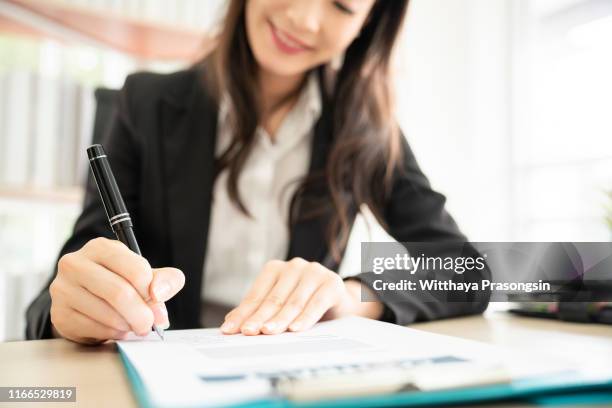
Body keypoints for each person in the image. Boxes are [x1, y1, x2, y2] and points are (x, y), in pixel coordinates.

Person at [26, 0, 489, 344]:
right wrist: (72, 309)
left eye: (343, 4)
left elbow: (470, 272)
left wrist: (352, 297)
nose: (305, 19)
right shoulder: (144, 104)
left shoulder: (364, 130)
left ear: (367, 22)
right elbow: (51, 304)